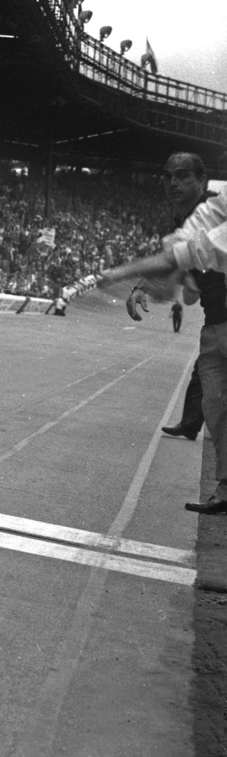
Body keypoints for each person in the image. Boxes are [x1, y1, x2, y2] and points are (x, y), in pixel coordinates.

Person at [95, 153, 227, 512]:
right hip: (216, 324)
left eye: (183, 176)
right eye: (167, 176)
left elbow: (183, 258)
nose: (173, 184)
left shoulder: (217, 209)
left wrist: (127, 274)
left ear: (203, 180)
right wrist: (147, 283)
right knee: (215, 407)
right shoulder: (182, 221)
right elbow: (178, 273)